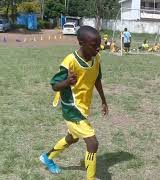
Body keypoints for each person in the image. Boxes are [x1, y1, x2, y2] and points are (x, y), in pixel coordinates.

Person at [39, 26, 109, 180]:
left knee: (72, 138)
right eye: (94, 45)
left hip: (83, 106)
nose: (98, 48)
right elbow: (54, 85)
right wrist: (67, 82)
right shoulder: (69, 62)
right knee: (92, 143)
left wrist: (103, 100)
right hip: (72, 108)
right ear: (81, 42)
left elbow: (97, 78)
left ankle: (47, 157)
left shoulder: (96, 58)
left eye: (99, 44)